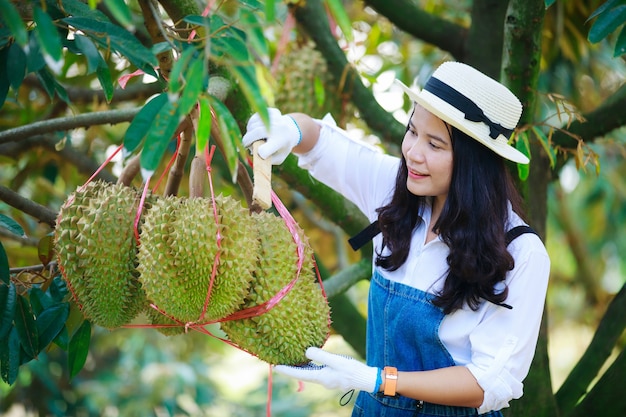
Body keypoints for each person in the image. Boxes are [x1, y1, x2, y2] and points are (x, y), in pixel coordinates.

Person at [242, 61, 550, 417]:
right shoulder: (396, 189)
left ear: (474, 162)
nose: (413, 152)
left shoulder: (520, 252)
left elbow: (489, 384)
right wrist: (288, 128)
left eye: (435, 144)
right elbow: (321, 142)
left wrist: (379, 381)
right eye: (412, 131)